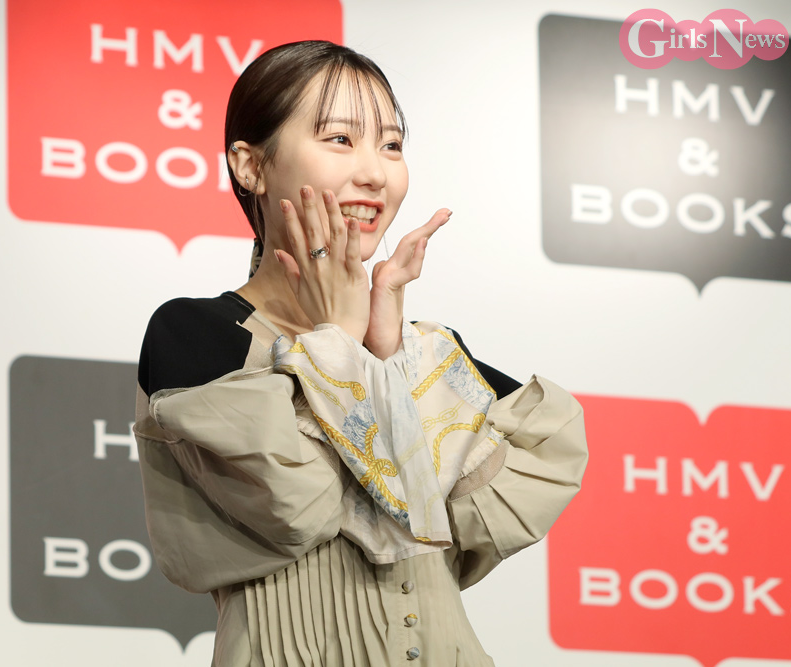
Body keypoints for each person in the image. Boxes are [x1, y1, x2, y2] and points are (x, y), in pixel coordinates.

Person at [134, 40, 588, 666]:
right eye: (340, 139)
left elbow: (525, 481)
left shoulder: (420, 353)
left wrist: (389, 351)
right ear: (250, 166)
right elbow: (295, 506)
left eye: (392, 145)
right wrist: (340, 345)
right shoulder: (198, 334)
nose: (375, 172)